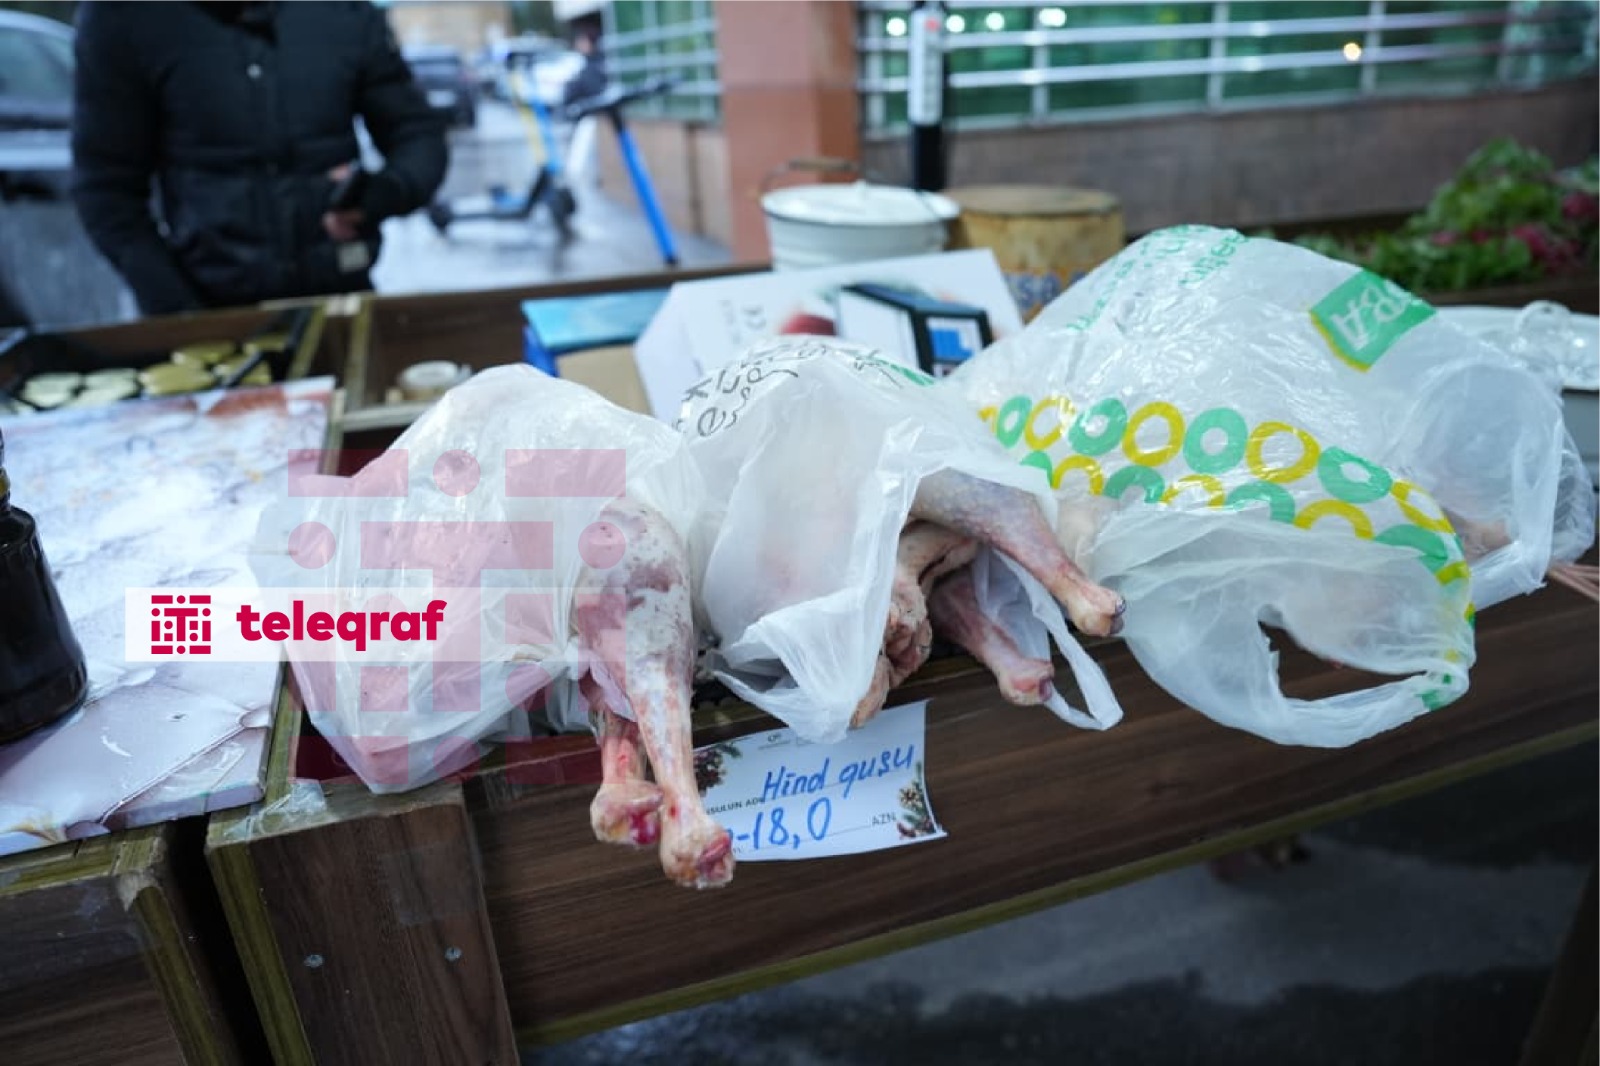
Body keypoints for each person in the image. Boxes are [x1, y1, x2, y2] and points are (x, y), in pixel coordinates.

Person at [70, 1, 449, 317]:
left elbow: (417, 133)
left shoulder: (341, 11)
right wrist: (181, 312)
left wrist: (385, 192)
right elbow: (106, 190)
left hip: (341, 298)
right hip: (209, 307)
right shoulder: (125, 16)